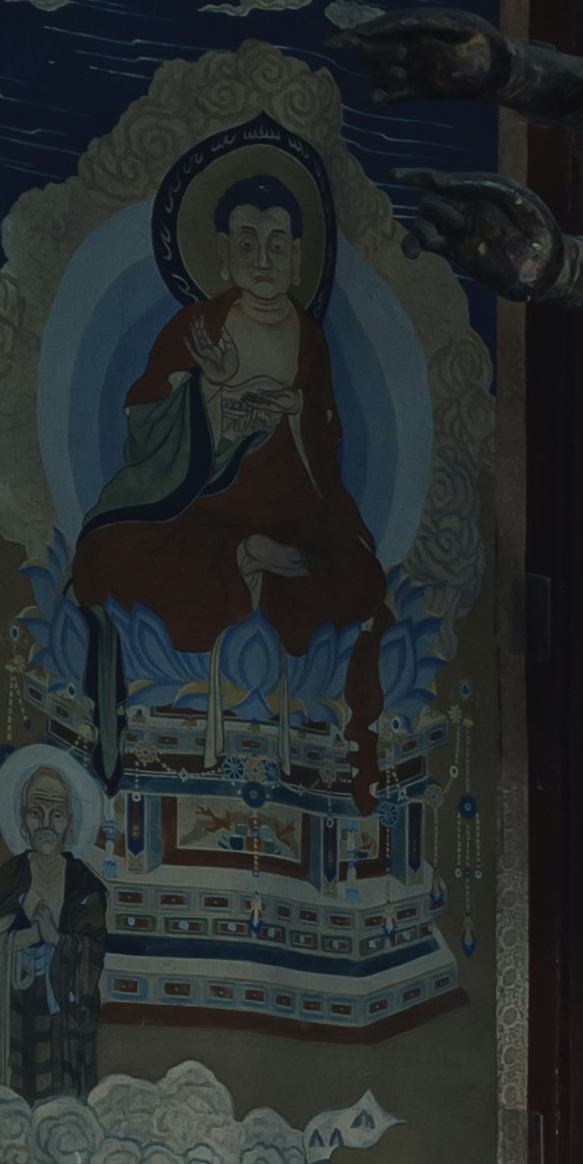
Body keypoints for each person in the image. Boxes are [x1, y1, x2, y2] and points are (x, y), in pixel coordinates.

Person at [62, 172, 390, 777]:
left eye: (276, 245)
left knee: (362, 576)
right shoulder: (196, 326)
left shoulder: (311, 338)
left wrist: (293, 411)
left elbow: (326, 436)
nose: (261, 258)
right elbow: (145, 424)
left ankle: (254, 558)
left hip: (293, 506)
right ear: (221, 252)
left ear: (296, 259)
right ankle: (242, 557)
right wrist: (211, 392)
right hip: (207, 503)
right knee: (105, 551)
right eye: (246, 242)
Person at [0, 761, 107, 1105]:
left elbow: (95, 947)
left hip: (65, 1009)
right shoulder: (13, 873)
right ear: (22, 821)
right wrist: (31, 937)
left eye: (57, 814)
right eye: (36, 813)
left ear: (70, 821)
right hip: (20, 1005)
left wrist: (57, 939)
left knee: (63, 1090)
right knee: (21, 1087)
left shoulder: (85, 882)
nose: (46, 825)